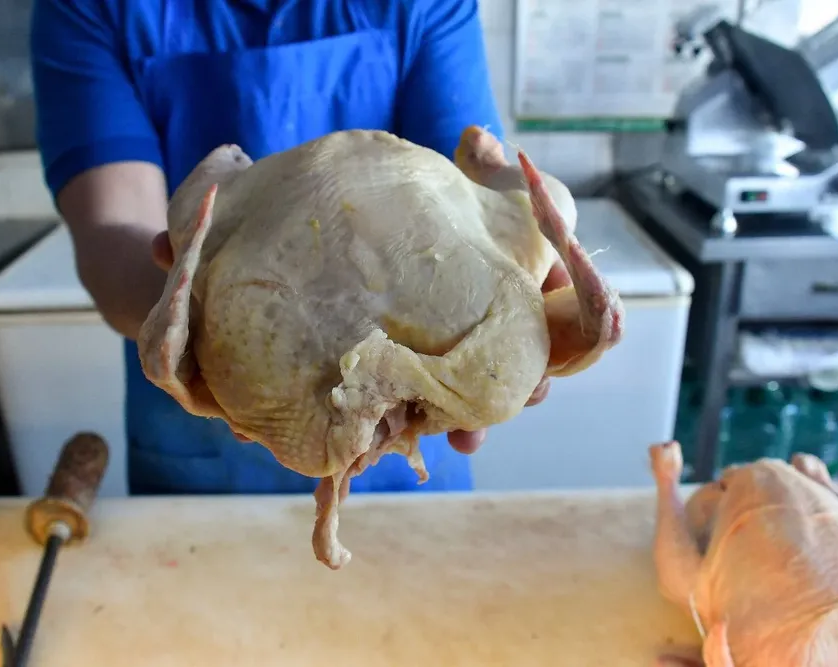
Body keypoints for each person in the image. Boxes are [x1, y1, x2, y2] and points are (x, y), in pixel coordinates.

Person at [29, 0, 550, 495]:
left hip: (413, 436)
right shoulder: (92, 7)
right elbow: (114, 240)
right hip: (204, 441)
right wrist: (229, 336)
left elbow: (466, 182)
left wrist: (536, 258)